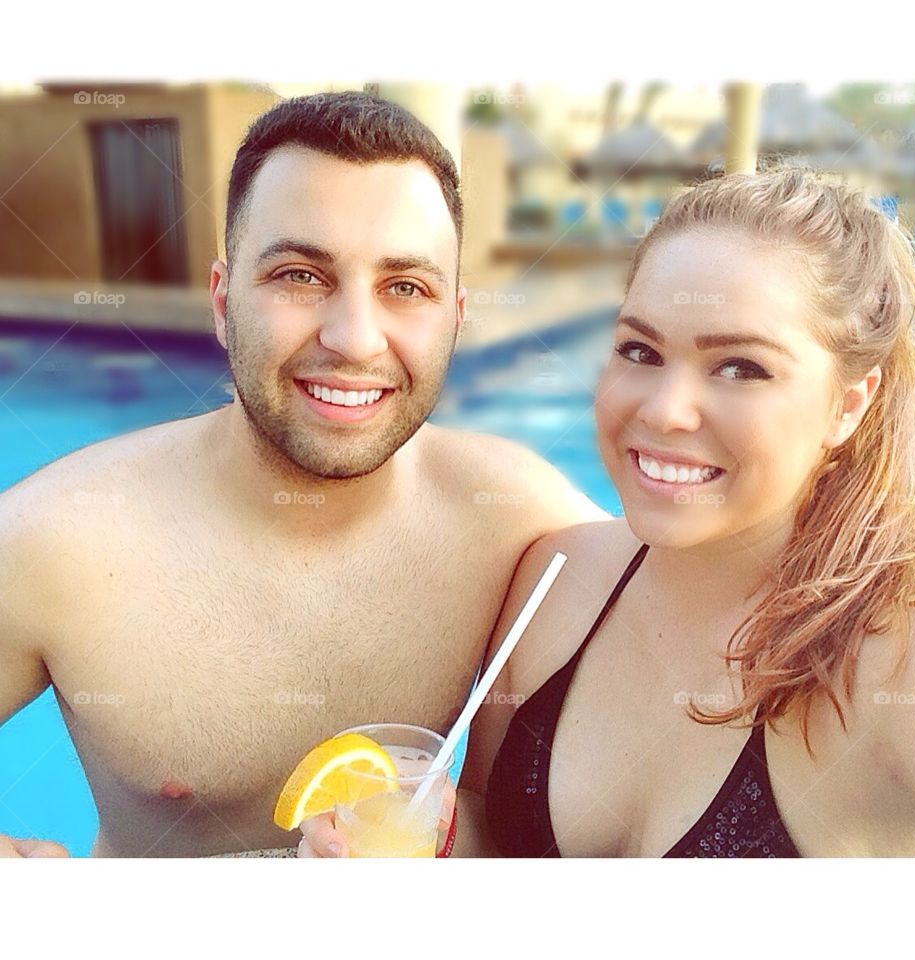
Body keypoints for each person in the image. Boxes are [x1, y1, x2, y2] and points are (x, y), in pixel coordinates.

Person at [0, 92, 605, 858]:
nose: (354, 339)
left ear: (455, 316)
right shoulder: (61, 539)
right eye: (299, 275)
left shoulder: (521, 520)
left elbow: (723, 617)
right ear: (223, 303)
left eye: (405, 288)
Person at [445, 170, 915, 857]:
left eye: (740, 367)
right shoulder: (555, 579)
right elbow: (491, 839)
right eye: (641, 351)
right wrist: (425, 836)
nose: (662, 410)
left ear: (848, 403)